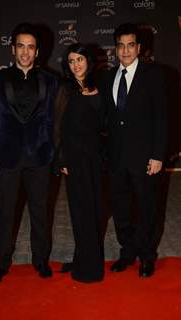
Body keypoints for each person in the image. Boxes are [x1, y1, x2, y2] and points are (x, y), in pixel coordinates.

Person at [0, 23, 57, 285]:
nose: (25, 52)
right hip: (7, 155)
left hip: (39, 156)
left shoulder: (49, 80)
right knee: (5, 212)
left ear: (37, 52)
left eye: (31, 47)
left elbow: (51, 120)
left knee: (40, 211)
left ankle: (41, 260)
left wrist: (51, 151)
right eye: (21, 46)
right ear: (13, 49)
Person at [100, 23, 168, 277]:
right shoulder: (108, 78)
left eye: (131, 45)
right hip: (116, 159)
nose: (126, 51)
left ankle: (147, 256)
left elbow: (162, 118)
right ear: (115, 48)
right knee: (121, 210)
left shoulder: (154, 75)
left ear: (139, 48)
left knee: (147, 209)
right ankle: (127, 253)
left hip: (145, 158)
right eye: (121, 45)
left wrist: (158, 155)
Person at [54, 43, 104, 283]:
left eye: (80, 59)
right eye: (71, 60)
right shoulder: (65, 88)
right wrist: (62, 158)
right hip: (75, 159)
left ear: (89, 61)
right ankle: (87, 268)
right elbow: (57, 126)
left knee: (97, 211)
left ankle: (84, 256)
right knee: (81, 211)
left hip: (99, 158)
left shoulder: (100, 86)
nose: (75, 65)